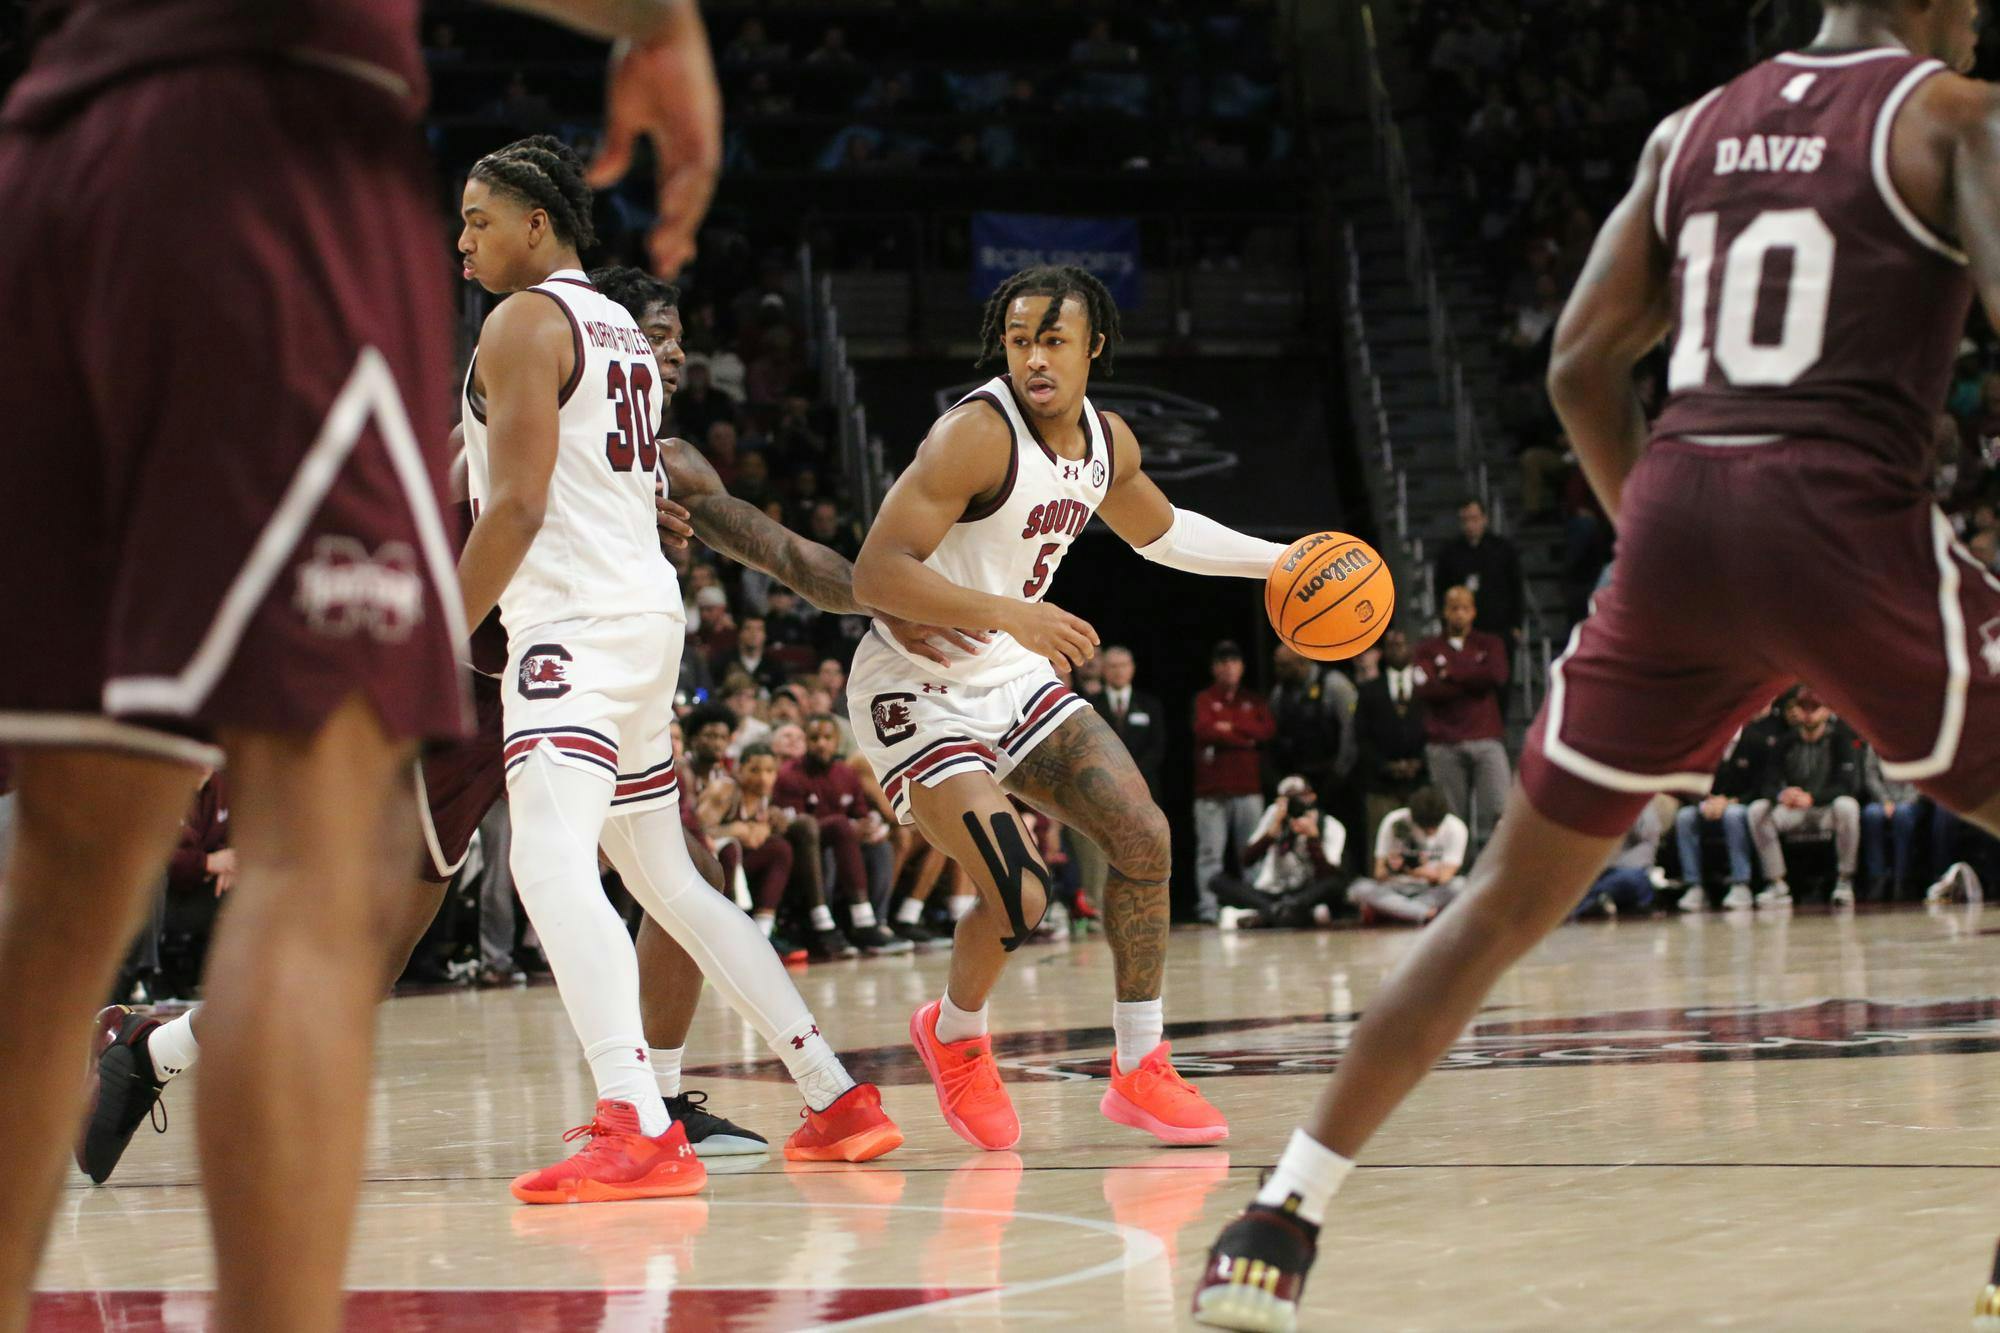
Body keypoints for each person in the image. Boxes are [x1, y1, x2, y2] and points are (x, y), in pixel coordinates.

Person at [1197, 5, 2000, 1325]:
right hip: (1842, 511)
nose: (1977, 18)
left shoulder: (1691, 132)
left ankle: (1275, 1223)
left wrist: (1668, 546)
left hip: (1680, 510)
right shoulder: (1957, 117)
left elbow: (1580, 366)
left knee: (1506, 899)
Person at [0, 2, 720, 1327]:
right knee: (317, 870)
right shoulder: (532, 320)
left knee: (63, 869)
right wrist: (656, 22)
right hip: (271, 154)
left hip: (48, 151)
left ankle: (144, 1060)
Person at [77, 258, 930, 1191]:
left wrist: (905, 599)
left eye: (680, 336)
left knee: (680, 870)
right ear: (596, 345)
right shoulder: (485, 437)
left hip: (576, 680)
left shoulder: (666, 461)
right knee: (368, 956)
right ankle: (158, 1046)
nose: (672, 353)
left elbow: (790, 555)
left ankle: (660, 1097)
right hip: (450, 695)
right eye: (654, 335)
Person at [455, 150, 916, 1203]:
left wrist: (437, 621)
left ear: (536, 225)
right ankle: (834, 1093)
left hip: (571, 626)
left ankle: (633, 1118)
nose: (464, 242)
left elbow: (517, 507)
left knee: (547, 864)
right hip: (644, 620)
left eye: (480, 222)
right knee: (666, 877)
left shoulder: (524, 321)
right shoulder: (619, 328)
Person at [850, 265, 1303, 1152]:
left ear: (1094, 346)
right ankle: (954, 1036)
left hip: (1010, 672)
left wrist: (1279, 560)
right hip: (918, 685)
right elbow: (877, 571)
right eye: (1019, 341)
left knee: (1145, 836)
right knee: (1020, 894)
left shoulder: (1108, 441)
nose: (1034, 359)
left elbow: (1166, 534)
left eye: (1053, 341)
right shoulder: (976, 435)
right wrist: (1009, 611)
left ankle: (1141, 1065)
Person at [773, 715, 911, 953]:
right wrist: (849, 826)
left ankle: (877, 922)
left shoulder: (845, 774)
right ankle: (847, 921)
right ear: (806, 741)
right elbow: (796, 826)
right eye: (815, 738)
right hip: (806, 849)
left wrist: (870, 825)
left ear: (837, 742)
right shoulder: (789, 774)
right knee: (838, 827)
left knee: (881, 846)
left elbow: (860, 812)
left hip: (846, 843)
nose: (821, 744)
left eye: (828, 738)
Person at [1413, 586, 1511, 851]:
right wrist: (1473, 676)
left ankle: (1498, 875)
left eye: (1464, 608)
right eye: (1453, 608)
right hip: (1444, 742)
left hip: (1486, 737)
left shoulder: (1490, 643)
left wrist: (1450, 671)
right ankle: (1456, 873)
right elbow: (1427, 689)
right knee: (1452, 820)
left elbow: (1497, 676)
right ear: (1445, 612)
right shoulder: (1427, 649)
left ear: (1474, 612)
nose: (1459, 614)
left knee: (1500, 811)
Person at [1746, 687, 1863, 907]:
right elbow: (1767, 782)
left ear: (1827, 711)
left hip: (1824, 809)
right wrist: (1783, 794)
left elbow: (1847, 785)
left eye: (1815, 708)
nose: (1809, 713)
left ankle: (1845, 880)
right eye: (1803, 707)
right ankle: (1777, 883)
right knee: (1758, 810)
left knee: (1848, 806)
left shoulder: (1840, 739)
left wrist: (1813, 798)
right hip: (1793, 810)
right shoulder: (1785, 741)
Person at [1193, 641, 1278, 924]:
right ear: (1214, 667)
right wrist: (1244, 738)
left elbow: (1266, 731)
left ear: (1241, 667)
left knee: (1251, 853)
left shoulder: (1253, 700)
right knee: (1210, 854)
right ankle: (1208, 909)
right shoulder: (1205, 699)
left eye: (1234, 661)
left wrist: (1228, 728)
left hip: (1248, 789)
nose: (1228, 667)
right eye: (1222, 662)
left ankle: (1255, 905)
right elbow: (1204, 729)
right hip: (1211, 792)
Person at [1209, 776, 1349, 929]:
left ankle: (1265, 915)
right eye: (1287, 799)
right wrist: (1270, 834)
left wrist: (1313, 839)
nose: (1293, 803)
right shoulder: (1274, 815)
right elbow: (1246, 860)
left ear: (1311, 797)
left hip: (1304, 894)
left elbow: (1328, 876)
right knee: (1217, 881)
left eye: (1298, 797)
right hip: (1270, 892)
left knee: (1337, 882)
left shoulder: (1331, 826)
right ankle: (1280, 910)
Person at [1352, 628, 1430, 852]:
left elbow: (1437, 729)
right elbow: (1361, 736)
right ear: (1384, 652)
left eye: (1401, 644)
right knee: (1382, 846)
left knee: (1423, 845)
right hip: (1381, 783)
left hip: (1420, 782)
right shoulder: (1369, 691)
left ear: (1412, 649)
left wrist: (1420, 762)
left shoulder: (1426, 688)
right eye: (1391, 646)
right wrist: (1385, 766)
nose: (1396, 649)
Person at [1345, 787, 1467, 925]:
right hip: (1396, 887)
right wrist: (1396, 867)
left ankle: (1394, 912)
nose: (1430, 832)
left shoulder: (1456, 827)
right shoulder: (1394, 822)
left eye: (1435, 827)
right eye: (1425, 827)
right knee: (1358, 889)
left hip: (1430, 890)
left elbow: (1444, 877)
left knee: (1460, 886)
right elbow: (1379, 873)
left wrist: (1409, 868)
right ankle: (1423, 913)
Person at [1433, 497, 1525, 644]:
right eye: (1465, 520)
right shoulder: (1449, 553)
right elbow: (1441, 591)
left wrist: (1516, 624)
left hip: (1499, 628)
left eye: (1474, 519)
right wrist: (1446, 624)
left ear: (1484, 519)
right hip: (1463, 630)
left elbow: (1516, 587)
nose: (1470, 525)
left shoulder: (1502, 549)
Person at [1572, 800, 1667, 918]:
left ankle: (1588, 904)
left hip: (1633, 873)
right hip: (1604, 873)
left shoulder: (1641, 808)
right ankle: (1592, 903)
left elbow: (1645, 833)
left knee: (1630, 879)